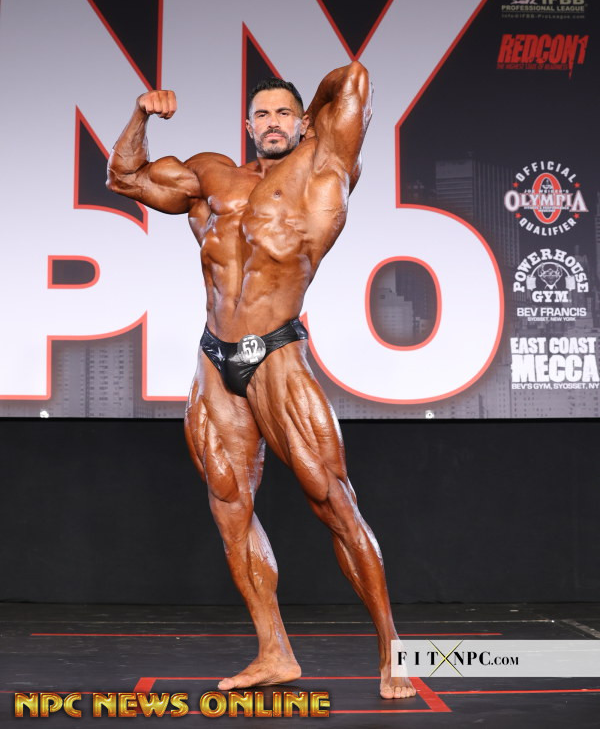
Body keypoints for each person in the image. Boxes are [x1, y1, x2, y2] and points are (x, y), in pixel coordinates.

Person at [107, 63, 415, 700]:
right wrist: (140, 113)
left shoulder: (323, 169)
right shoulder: (212, 175)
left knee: (333, 502)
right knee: (230, 509)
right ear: (248, 125)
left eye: (284, 114)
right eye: (262, 115)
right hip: (213, 358)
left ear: (302, 122)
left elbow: (354, 81)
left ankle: (394, 652)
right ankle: (275, 652)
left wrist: (318, 119)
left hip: (277, 353)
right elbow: (125, 176)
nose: (272, 124)